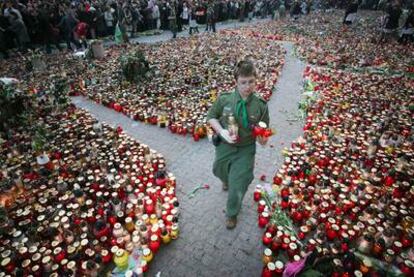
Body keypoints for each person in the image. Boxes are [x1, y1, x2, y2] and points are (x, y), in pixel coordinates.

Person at [207, 59, 270, 229]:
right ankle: (225, 180)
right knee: (217, 169)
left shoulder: (261, 106)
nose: (247, 86)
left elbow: (263, 134)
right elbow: (211, 117)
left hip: (246, 148)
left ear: (256, 80)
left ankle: (232, 212)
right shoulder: (225, 99)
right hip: (226, 144)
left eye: (251, 82)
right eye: (243, 82)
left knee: (238, 183)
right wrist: (222, 132)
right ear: (236, 82)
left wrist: (263, 139)